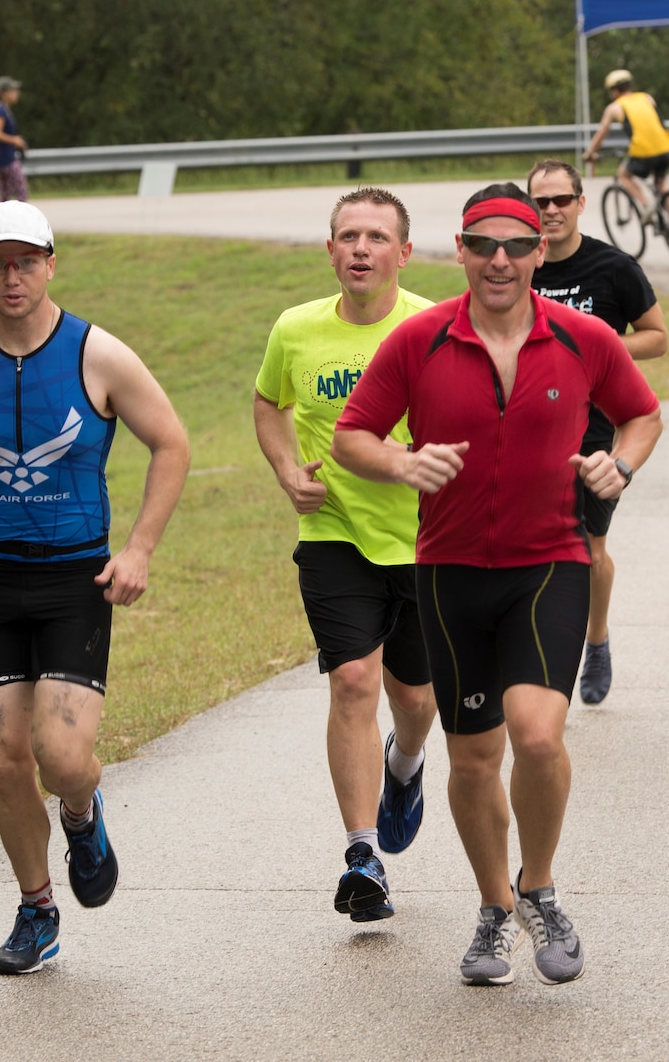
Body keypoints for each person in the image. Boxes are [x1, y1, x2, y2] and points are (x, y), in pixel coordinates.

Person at [331, 183, 663, 986]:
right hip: (448, 574)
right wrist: (402, 462)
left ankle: (538, 885)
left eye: (517, 245)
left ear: (539, 253)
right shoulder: (419, 340)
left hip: (550, 561)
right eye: (484, 246)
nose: (501, 260)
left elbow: (642, 413)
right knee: (474, 758)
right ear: (461, 251)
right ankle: (492, 909)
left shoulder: (584, 337)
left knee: (538, 735)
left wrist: (618, 465)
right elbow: (352, 436)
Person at [0, 201, 191, 974]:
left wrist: (139, 551)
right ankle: (36, 909)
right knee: (3, 758)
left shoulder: (98, 354)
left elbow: (171, 442)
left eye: (27, 260)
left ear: (52, 263)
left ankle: (83, 813)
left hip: (73, 579)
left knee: (61, 757)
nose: (13, 275)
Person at [253, 187, 437, 925]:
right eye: (347, 236)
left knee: (417, 700)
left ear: (403, 252)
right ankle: (364, 856)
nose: (361, 248)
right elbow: (270, 403)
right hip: (334, 535)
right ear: (330, 251)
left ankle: (406, 763)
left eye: (376, 236)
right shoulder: (295, 330)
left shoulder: (431, 328)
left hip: (426, 542)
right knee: (354, 681)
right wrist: (286, 469)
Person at [525, 158, 668, 705]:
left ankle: (596, 637)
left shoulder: (613, 267)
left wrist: (598, 348)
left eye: (562, 200)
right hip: (526, 426)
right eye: (542, 202)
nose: (552, 210)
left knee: (588, 547)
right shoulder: (516, 266)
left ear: (581, 203)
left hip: (592, 431)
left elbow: (656, 337)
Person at [583, 69, 669, 217]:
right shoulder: (647, 98)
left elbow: (601, 134)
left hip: (644, 151)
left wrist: (590, 153)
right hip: (667, 147)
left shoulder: (615, 107)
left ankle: (646, 207)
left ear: (614, 91)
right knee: (661, 186)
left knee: (624, 175)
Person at [0, 76, 30, 202]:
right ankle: (22, 219)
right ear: (3, 93)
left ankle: (1, 220)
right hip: (7, 159)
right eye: (13, 90)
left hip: (0, 159)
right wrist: (15, 140)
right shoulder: (0, 110)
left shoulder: (1, 109)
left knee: (4, 196)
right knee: (21, 192)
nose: (16, 93)